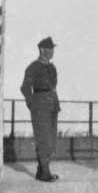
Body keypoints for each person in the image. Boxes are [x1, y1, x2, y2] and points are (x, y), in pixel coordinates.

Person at [20, 36, 61, 182]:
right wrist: (32, 103)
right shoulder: (33, 67)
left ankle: (42, 170)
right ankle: (45, 172)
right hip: (40, 106)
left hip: (53, 105)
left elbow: (53, 86)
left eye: (52, 49)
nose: (52, 51)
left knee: (51, 140)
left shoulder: (52, 67)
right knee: (44, 140)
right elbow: (25, 87)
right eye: (49, 49)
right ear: (42, 50)